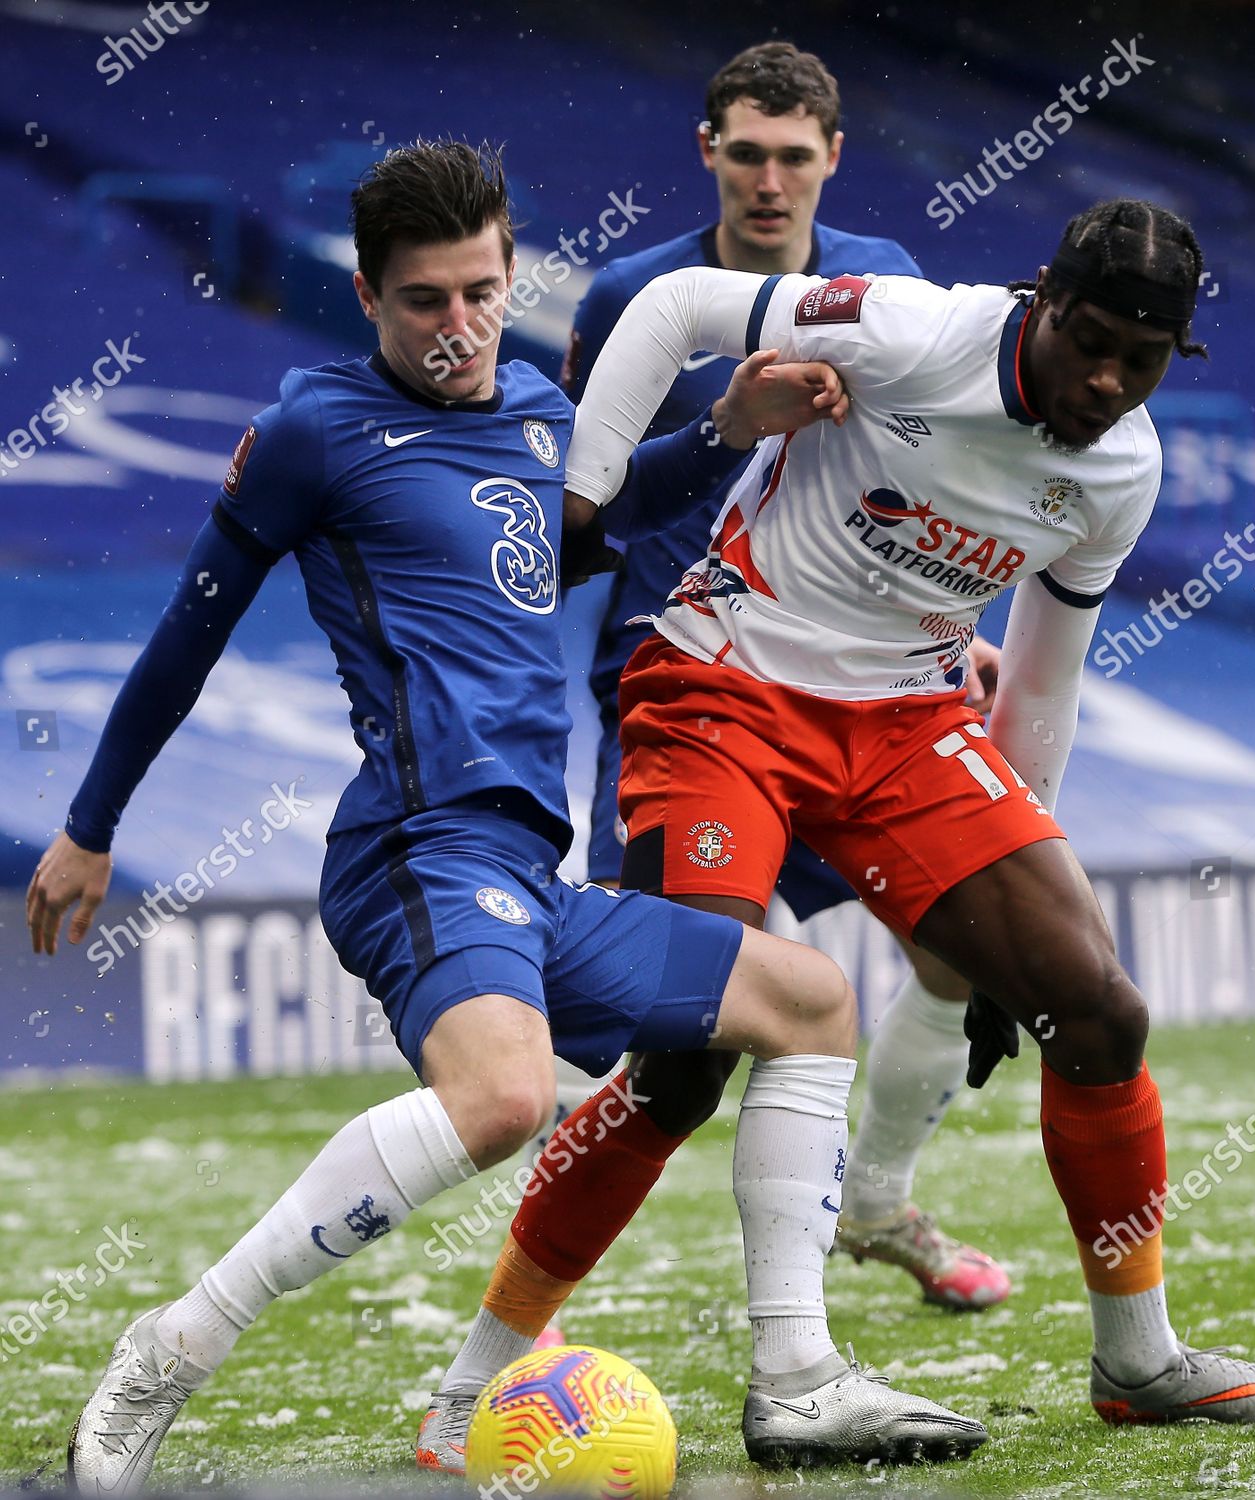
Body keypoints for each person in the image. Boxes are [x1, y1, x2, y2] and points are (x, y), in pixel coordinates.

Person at [34, 140, 990, 1493]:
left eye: (481, 292)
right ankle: (170, 1351)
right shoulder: (314, 430)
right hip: (417, 846)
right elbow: (190, 635)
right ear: (367, 295)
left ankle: (787, 1378)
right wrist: (90, 821)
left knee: (808, 1006)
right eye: (426, 301)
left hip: (522, 869)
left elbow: (574, 537)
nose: (461, 329)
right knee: (501, 1099)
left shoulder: (539, 401)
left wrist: (723, 431)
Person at [434, 196, 1255, 1436]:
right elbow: (681, 304)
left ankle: (1138, 1362)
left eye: (1147, 359)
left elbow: (1040, 685)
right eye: (1091, 342)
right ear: (1043, 302)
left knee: (1098, 1010)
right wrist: (581, 494)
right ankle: (475, 1379)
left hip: (909, 726)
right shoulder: (910, 330)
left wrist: (997, 920)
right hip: (725, 690)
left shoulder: (1124, 468)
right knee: (686, 1056)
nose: (1110, 379)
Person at [568, 38, 1006, 1306]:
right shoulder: (629, 299)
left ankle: (875, 1206)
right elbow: (586, 517)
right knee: (669, 1025)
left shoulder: (891, 284)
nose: (769, 182)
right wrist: (723, 430)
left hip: (859, 682)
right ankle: (520, 1303)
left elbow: (920, 486)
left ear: (832, 160)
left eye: (793, 159)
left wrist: (949, 620)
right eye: (745, 155)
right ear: (707, 152)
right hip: (688, 681)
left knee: (956, 951)